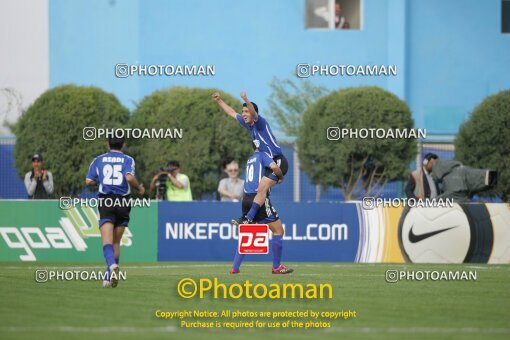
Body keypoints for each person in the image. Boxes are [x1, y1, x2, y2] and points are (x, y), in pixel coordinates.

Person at [212, 91, 287, 224]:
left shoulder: (260, 123)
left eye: (246, 111)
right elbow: (231, 113)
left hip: (278, 160)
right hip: (268, 163)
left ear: (253, 114)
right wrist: (219, 101)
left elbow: (253, 112)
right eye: (243, 111)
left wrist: (246, 99)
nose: (244, 114)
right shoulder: (248, 125)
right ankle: (251, 217)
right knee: (260, 189)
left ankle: (248, 217)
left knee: (262, 187)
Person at [85, 137, 145, 288]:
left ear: (107, 143)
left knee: (107, 241)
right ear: (123, 144)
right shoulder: (128, 159)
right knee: (116, 242)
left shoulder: (99, 159)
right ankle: (108, 278)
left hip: (106, 201)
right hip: (123, 202)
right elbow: (129, 177)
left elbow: (88, 181)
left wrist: (102, 181)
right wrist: (140, 188)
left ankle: (111, 266)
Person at [230, 142, 293, 275]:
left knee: (246, 235)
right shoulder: (263, 154)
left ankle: (235, 268)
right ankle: (276, 267)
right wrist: (281, 177)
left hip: (246, 198)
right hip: (259, 198)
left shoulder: (250, 159)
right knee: (278, 231)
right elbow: (275, 167)